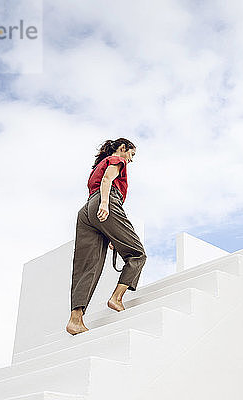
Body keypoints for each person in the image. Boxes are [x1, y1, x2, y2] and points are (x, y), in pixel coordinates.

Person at [66, 138, 146, 336]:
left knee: (87, 267)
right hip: (106, 201)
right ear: (122, 148)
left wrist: (109, 231)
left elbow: (98, 183)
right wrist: (105, 204)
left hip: (86, 212)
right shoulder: (117, 160)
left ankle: (75, 320)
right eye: (131, 154)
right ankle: (117, 298)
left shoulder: (97, 166)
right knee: (137, 254)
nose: (131, 159)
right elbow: (107, 181)